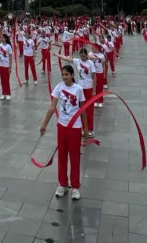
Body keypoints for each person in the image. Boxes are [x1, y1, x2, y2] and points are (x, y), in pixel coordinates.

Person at [39, 64, 89, 201]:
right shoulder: (59, 87)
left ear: (72, 75)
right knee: (62, 156)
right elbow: (52, 107)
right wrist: (44, 124)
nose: (64, 77)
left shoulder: (78, 89)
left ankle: (75, 187)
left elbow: (83, 110)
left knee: (74, 158)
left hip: (75, 128)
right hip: (62, 126)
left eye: (67, 74)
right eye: (63, 74)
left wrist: (85, 129)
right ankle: (62, 184)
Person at [54, 48, 97, 138]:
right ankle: (82, 128)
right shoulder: (78, 61)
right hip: (80, 88)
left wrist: (94, 90)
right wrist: (58, 55)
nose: (83, 58)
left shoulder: (90, 63)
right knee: (80, 109)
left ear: (87, 55)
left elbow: (94, 76)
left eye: (84, 56)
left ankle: (90, 129)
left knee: (89, 110)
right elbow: (67, 59)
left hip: (88, 88)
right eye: (81, 56)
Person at [0, 33, 13, 101]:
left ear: (6, 39)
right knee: (2, 80)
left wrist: (10, 67)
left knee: (6, 80)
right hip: (1, 65)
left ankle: (8, 94)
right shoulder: (0, 45)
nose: (1, 39)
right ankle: (3, 93)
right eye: (1, 37)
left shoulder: (8, 46)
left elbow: (10, 57)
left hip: (6, 66)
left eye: (3, 38)